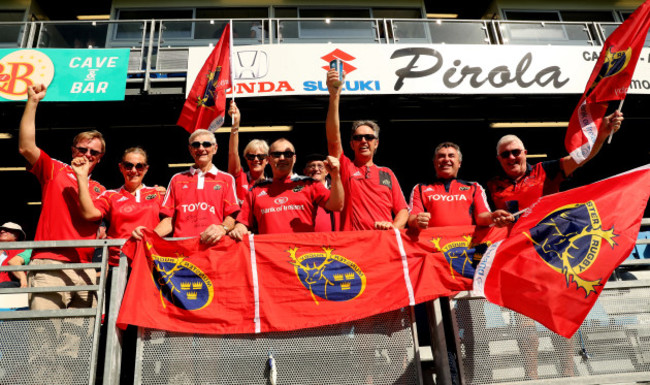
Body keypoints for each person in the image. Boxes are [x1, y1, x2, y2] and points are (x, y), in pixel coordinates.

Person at [19, 83, 105, 310]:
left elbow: (93, 215)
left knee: (80, 343)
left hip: (84, 268)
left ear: (100, 158)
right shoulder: (55, 169)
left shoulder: (101, 190)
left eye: (93, 152)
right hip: (49, 262)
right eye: (82, 149)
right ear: (72, 150)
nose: (87, 154)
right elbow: (27, 148)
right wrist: (33, 102)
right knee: (42, 339)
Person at [488, 111, 624, 221]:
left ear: (525, 153)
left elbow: (579, 158)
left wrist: (601, 135)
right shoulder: (491, 184)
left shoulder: (545, 170)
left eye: (516, 152)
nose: (511, 157)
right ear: (499, 159)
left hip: (546, 244)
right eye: (505, 154)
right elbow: (482, 218)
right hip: (513, 247)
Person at [326, 69, 409, 231]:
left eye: (369, 137)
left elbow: (403, 211)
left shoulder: (387, 173)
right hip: (352, 247)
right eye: (358, 138)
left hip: (382, 245)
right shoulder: (346, 167)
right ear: (352, 144)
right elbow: (333, 139)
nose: (363, 141)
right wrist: (334, 97)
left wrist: (393, 227)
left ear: (376, 143)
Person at [229, 139, 343, 238]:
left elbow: (337, 205)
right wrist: (238, 229)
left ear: (294, 158)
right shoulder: (256, 190)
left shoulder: (309, 184)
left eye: (287, 154)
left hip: (302, 259)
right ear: (269, 159)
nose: (282, 158)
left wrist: (335, 176)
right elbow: (243, 223)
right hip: (269, 258)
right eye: (277, 154)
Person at [72, 147, 165, 266]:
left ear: (146, 169)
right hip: (118, 262)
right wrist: (81, 176)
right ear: (121, 167)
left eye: (139, 166)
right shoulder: (110, 195)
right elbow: (89, 214)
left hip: (151, 260)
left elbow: (172, 220)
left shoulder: (158, 193)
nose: (133, 170)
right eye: (128, 165)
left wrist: (150, 237)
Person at [150, 129, 239, 244]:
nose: (201, 148)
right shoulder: (177, 179)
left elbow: (232, 216)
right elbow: (169, 220)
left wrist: (222, 228)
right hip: (182, 251)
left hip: (213, 250)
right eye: (196, 145)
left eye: (206, 144)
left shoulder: (226, 179)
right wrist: (149, 237)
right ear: (190, 149)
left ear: (215, 148)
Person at [408, 142, 512, 230]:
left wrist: (492, 217)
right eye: (441, 156)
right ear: (435, 163)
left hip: (465, 248)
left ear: (459, 163)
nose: (446, 159)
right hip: (433, 247)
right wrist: (417, 221)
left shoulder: (474, 187)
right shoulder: (420, 188)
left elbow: (481, 216)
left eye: (451, 156)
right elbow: (411, 218)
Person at [227, 101, 269, 204]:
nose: (256, 159)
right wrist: (235, 124)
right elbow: (233, 152)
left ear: (267, 159)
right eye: (251, 156)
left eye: (260, 156)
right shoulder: (239, 177)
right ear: (246, 158)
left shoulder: (274, 184)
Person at [303, 153, 340, 232]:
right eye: (312, 166)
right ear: (305, 171)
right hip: (306, 240)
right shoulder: (298, 193)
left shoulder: (338, 191)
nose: (316, 169)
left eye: (320, 166)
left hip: (334, 240)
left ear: (327, 171)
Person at [0, 222, 31, 288]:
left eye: (7, 230)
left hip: (9, 286)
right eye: (1, 230)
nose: (2, 231)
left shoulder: (24, 250)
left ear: (17, 234)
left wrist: (22, 278)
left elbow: (13, 262)